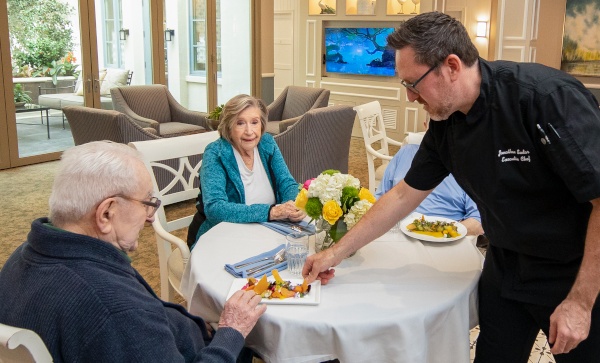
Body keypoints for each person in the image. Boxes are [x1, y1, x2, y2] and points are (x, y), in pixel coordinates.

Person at [303, 11, 600, 363]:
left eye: (413, 83)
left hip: (575, 269)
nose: (410, 97)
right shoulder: (446, 125)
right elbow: (402, 195)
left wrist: (581, 303)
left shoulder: (543, 98)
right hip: (505, 263)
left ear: (452, 66)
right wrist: (333, 253)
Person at [0, 141, 266, 362]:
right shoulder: (116, 311)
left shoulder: (21, 257)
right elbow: (126, 319)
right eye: (147, 203)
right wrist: (230, 332)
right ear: (106, 213)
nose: (151, 218)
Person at [187, 94, 304, 247]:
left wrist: (292, 204)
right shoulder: (216, 153)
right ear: (228, 127)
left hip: (267, 232)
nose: (249, 131)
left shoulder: (267, 143)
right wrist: (271, 212)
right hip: (222, 236)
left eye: (254, 122)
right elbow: (215, 208)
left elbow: (287, 183)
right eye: (240, 123)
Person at [375, 126, 483, 236]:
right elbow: (378, 198)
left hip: (442, 241)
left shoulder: (470, 167)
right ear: (426, 126)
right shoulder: (405, 152)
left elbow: (478, 221)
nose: (444, 133)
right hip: (395, 233)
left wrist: (441, 233)